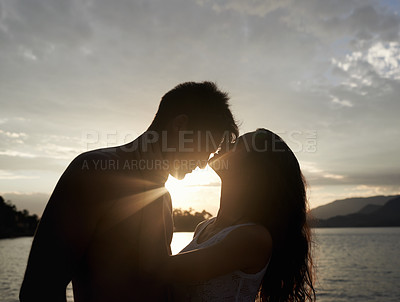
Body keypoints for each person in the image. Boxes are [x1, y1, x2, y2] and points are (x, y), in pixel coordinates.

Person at [19, 82, 238, 302]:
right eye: (204, 149)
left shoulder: (163, 197)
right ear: (180, 126)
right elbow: (40, 288)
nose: (202, 164)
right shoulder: (95, 172)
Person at [163, 129, 316, 301]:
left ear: (254, 168)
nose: (226, 144)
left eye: (238, 144)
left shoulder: (252, 238)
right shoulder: (203, 227)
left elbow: (161, 270)